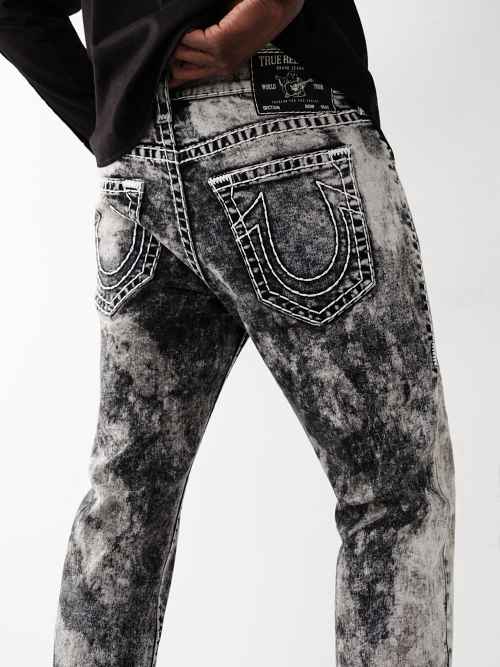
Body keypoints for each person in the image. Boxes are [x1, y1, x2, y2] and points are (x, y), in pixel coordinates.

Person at [0, 1, 456, 665]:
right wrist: (259, 16)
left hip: (137, 178)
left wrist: (112, 126)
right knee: (392, 496)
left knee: (126, 498)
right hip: (288, 132)